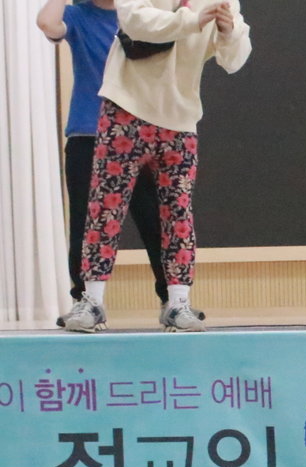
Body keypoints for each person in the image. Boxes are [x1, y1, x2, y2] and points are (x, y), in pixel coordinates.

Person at [62, 0, 251, 333]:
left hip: (180, 118)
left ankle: (178, 303)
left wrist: (227, 31)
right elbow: (135, 21)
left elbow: (234, 59)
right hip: (125, 107)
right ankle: (91, 301)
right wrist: (193, 20)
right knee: (105, 207)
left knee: (178, 213)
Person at [36, 0, 189, 326]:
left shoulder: (142, 13)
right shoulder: (78, 14)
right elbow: (47, 23)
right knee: (85, 222)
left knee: (157, 220)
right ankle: (86, 303)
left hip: (141, 132)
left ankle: (172, 301)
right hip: (88, 134)